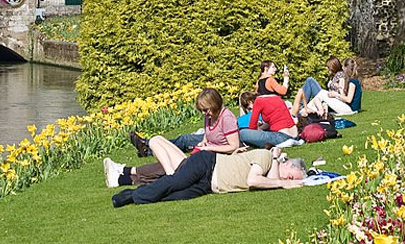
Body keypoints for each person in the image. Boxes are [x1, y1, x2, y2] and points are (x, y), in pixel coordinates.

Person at [110, 135, 306, 207]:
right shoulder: (264, 156)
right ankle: (131, 196)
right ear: (288, 164)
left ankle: (141, 194)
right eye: (291, 175)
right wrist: (284, 182)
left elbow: (269, 181)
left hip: (209, 184)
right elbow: (253, 181)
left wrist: (283, 182)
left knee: (177, 195)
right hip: (207, 164)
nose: (288, 179)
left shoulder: (270, 167)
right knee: (174, 182)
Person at [130, 88, 239, 155]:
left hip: (217, 154)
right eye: (201, 110)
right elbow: (207, 134)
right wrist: (203, 143)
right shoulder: (210, 116)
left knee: (184, 143)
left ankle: (148, 146)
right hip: (208, 150)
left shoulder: (226, 118)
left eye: (205, 110)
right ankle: (150, 147)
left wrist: (209, 148)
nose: (204, 113)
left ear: (214, 105)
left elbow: (234, 146)